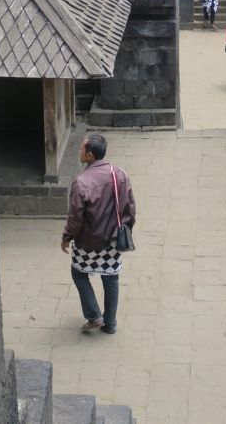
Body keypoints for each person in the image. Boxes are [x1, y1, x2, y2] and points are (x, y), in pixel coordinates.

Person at [61, 133, 136, 334]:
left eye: (81, 150)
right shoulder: (119, 174)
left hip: (88, 241)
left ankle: (94, 315)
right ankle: (110, 323)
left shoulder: (81, 182)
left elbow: (75, 218)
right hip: (113, 239)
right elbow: (130, 207)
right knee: (111, 278)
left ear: (90, 156)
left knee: (79, 273)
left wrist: (67, 237)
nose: (79, 152)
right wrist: (125, 230)